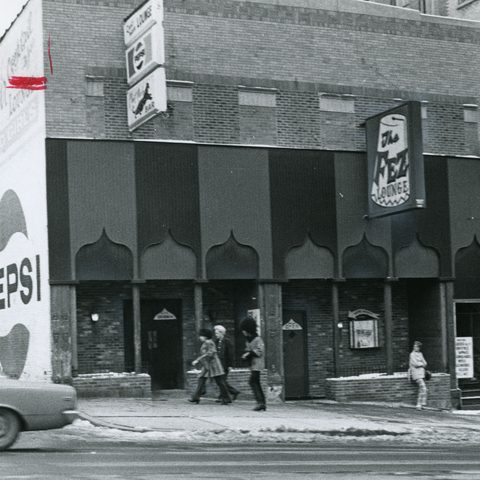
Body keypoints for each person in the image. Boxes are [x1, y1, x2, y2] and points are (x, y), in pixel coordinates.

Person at [189, 328, 231, 405]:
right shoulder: (206, 343)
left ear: (205, 336)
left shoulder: (209, 343)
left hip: (213, 365)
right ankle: (196, 397)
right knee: (201, 379)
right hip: (208, 365)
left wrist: (198, 360)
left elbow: (210, 353)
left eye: (201, 336)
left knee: (220, 382)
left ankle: (226, 398)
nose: (200, 337)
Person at [240, 317, 266, 411]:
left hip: (257, 364)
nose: (243, 332)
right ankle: (262, 402)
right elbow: (248, 350)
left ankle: (260, 402)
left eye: (244, 330)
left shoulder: (258, 339)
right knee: (255, 382)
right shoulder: (249, 340)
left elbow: (260, 351)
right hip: (253, 364)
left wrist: (249, 353)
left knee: (253, 381)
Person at [214, 325, 241, 402]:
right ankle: (232, 392)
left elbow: (231, 354)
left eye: (217, 333)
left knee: (222, 381)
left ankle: (227, 395)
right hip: (218, 364)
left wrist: (230, 365)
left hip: (225, 365)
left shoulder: (227, 342)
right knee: (221, 381)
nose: (216, 335)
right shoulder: (216, 342)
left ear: (222, 333)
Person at [409, 341, 428, 410]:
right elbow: (415, 364)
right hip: (416, 374)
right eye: (414, 346)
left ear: (419, 348)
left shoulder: (420, 354)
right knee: (424, 388)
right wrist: (421, 364)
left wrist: (420, 364)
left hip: (421, 373)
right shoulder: (412, 354)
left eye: (416, 346)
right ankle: (421, 404)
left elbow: (425, 363)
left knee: (421, 390)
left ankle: (419, 405)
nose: (415, 347)